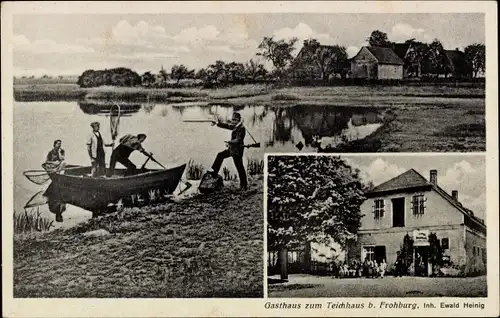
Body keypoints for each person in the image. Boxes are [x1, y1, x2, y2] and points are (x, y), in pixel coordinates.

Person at [209, 112, 248, 190]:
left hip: (237, 151)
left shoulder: (242, 128)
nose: (233, 121)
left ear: (239, 120)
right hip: (232, 149)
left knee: (239, 167)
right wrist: (217, 123)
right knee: (220, 155)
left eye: (235, 120)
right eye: (233, 119)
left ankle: (244, 186)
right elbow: (227, 126)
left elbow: (239, 140)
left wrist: (229, 142)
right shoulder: (235, 126)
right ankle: (214, 171)